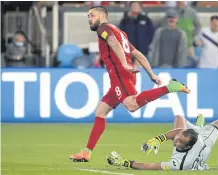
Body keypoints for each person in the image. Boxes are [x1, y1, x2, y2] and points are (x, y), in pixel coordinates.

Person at [69, 6, 190, 162]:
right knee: (100, 113)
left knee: (132, 105)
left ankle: (170, 87)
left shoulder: (103, 28)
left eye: (91, 15)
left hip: (121, 75)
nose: (89, 19)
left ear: (102, 15)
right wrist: (151, 74)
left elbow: (113, 43)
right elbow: (137, 54)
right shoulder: (121, 32)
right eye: (88, 16)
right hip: (122, 77)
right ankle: (86, 153)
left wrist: (124, 65)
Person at [107, 114, 218, 170]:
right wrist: (159, 138)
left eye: (179, 141)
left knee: (180, 120)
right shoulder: (195, 141)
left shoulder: (178, 163)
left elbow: (150, 166)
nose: (176, 140)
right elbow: (178, 132)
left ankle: (197, 127)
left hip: (201, 154)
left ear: (186, 147)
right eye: (178, 137)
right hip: (202, 142)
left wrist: (126, 163)